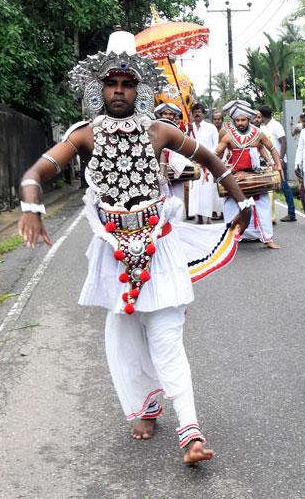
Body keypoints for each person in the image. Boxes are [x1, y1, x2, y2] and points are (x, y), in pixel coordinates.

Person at [17, 30, 251, 465]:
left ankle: (191, 431)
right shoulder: (84, 135)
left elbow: (212, 159)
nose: (119, 91)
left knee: (166, 336)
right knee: (124, 336)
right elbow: (35, 172)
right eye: (112, 83)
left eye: (127, 83)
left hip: (159, 247)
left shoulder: (160, 131)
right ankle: (147, 406)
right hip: (113, 251)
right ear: (99, 88)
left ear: (139, 88)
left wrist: (243, 200)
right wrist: (31, 205)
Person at [215, 100, 282, 249]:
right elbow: (216, 154)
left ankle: (268, 239)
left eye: (243, 120)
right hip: (234, 176)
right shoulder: (228, 136)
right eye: (237, 120)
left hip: (255, 175)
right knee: (231, 207)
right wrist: (216, 172)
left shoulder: (258, 134)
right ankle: (230, 239)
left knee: (263, 206)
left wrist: (277, 166)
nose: (240, 123)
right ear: (233, 120)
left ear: (249, 120)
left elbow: (272, 149)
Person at [258, 105, 298, 223]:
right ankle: (269, 215)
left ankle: (291, 213)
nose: (257, 117)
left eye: (259, 115)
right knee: (268, 189)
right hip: (267, 162)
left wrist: (279, 159)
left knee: (284, 187)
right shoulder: (262, 127)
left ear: (263, 115)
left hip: (278, 162)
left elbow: (283, 142)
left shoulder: (276, 125)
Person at [154, 102, 193, 210]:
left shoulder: (178, 131)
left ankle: (176, 225)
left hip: (176, 170)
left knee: (177, 202)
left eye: (171, 114)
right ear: (159, 115)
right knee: (161, 203)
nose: (168, 116)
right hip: (157, 170)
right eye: (165, 114)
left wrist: (189, 132)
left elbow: (185, 147)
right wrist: (162, 168)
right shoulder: (154, 129)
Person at [188, 103, 222, 224]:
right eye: (195, 112)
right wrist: (188, 132)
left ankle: (208, 217)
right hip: (194, 164)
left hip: (207, 164)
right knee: (195, 192)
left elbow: (216, 145)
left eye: (199, 112)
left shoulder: (211, 127)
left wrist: (206, 156)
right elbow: (186, 144)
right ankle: (199, 217)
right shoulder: (189, 127)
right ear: (192, 114)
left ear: (204, 114)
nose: (197, 114)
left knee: (207, 191)